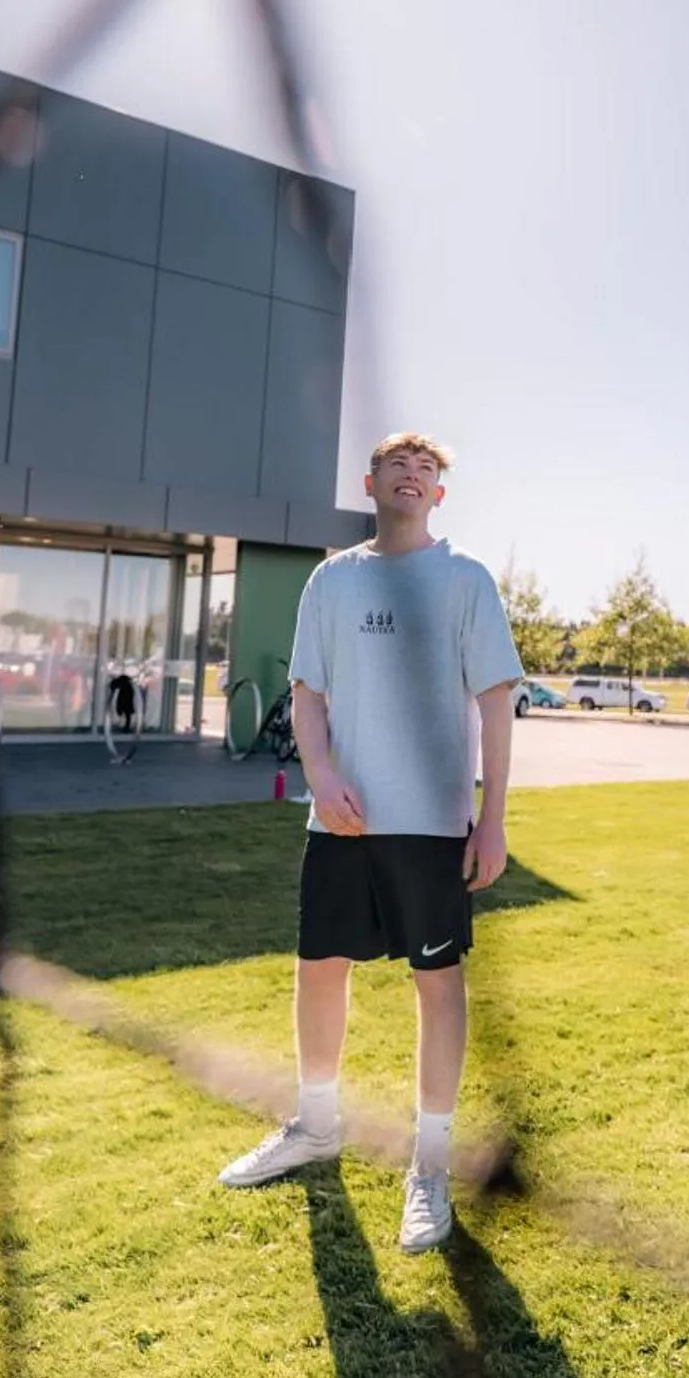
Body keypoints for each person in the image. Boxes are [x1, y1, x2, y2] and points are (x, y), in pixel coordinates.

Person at [217, 433, 522, 1255]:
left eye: (428, 470)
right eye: (399, 466)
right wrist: (319, 775)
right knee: (319, 969)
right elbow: (308, 694)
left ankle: (429, 1164)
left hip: (430, 823)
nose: (413, 477)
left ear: (439, 495)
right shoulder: (332, 579)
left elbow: (495, 703)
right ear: (372, 483)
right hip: (343, 820)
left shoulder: (464, 581)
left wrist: (491, 818)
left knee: (438, 982)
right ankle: (316, 1126)